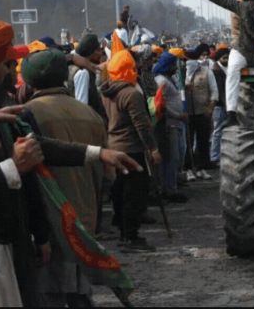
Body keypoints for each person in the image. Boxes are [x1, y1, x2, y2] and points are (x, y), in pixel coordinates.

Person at [0, 19, 141, 306]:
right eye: (7, 63)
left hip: (15, 240)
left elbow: (36, 147)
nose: (11, 71)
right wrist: (12, 168)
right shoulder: (4, 113)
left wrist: (98, 153)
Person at [20, 49, 109, 306]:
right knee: (80, 290)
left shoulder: (26, 115)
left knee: (51, 292)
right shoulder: (91, 114)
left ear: (29, 81)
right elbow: (107, 176)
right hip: (85, 220)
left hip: (49, 221)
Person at [99, 49, 162, 253]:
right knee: (134, 194)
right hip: (132, 149)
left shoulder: (106, 92)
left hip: (113, 146)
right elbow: (142, 125)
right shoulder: (131, 94)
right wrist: (152, 148)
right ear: (129, 70)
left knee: (119, 192)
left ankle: (124, 232)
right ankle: (130, 237)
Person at [153, 52, 189, 203]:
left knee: (177, 156)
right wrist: (177, 115)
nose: (175, 67)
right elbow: (161, 105)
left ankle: (172, 186)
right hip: (170, 124)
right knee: (171, 158)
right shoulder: (161, 81)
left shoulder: (169, 79)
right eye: (173, 64)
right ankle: (169, 189)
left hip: (176, 123)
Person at [185, 44, 218, 177]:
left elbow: (214, 91)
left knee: (203, 141)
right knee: (187, 143)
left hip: (203, 113)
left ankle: (200, 168)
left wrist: (210, 108)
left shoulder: (207, 71)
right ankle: (187, 169)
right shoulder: (182, 74)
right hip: (187, 114)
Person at [67, 33, 106, 119]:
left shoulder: (72, 67)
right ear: (92, 52)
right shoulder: (83, 73)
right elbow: (82, 106)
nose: (101, 53)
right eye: (99, 50)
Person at [209, 44, 229, 168]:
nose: (227, 60)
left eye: (228, 58)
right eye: (224, 58)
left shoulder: (224, 69)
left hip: (224, 104)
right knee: (217, 132)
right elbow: (220, 90)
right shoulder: (216, 71)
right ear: (219, 58)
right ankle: (214, 156)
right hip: (219, 106)